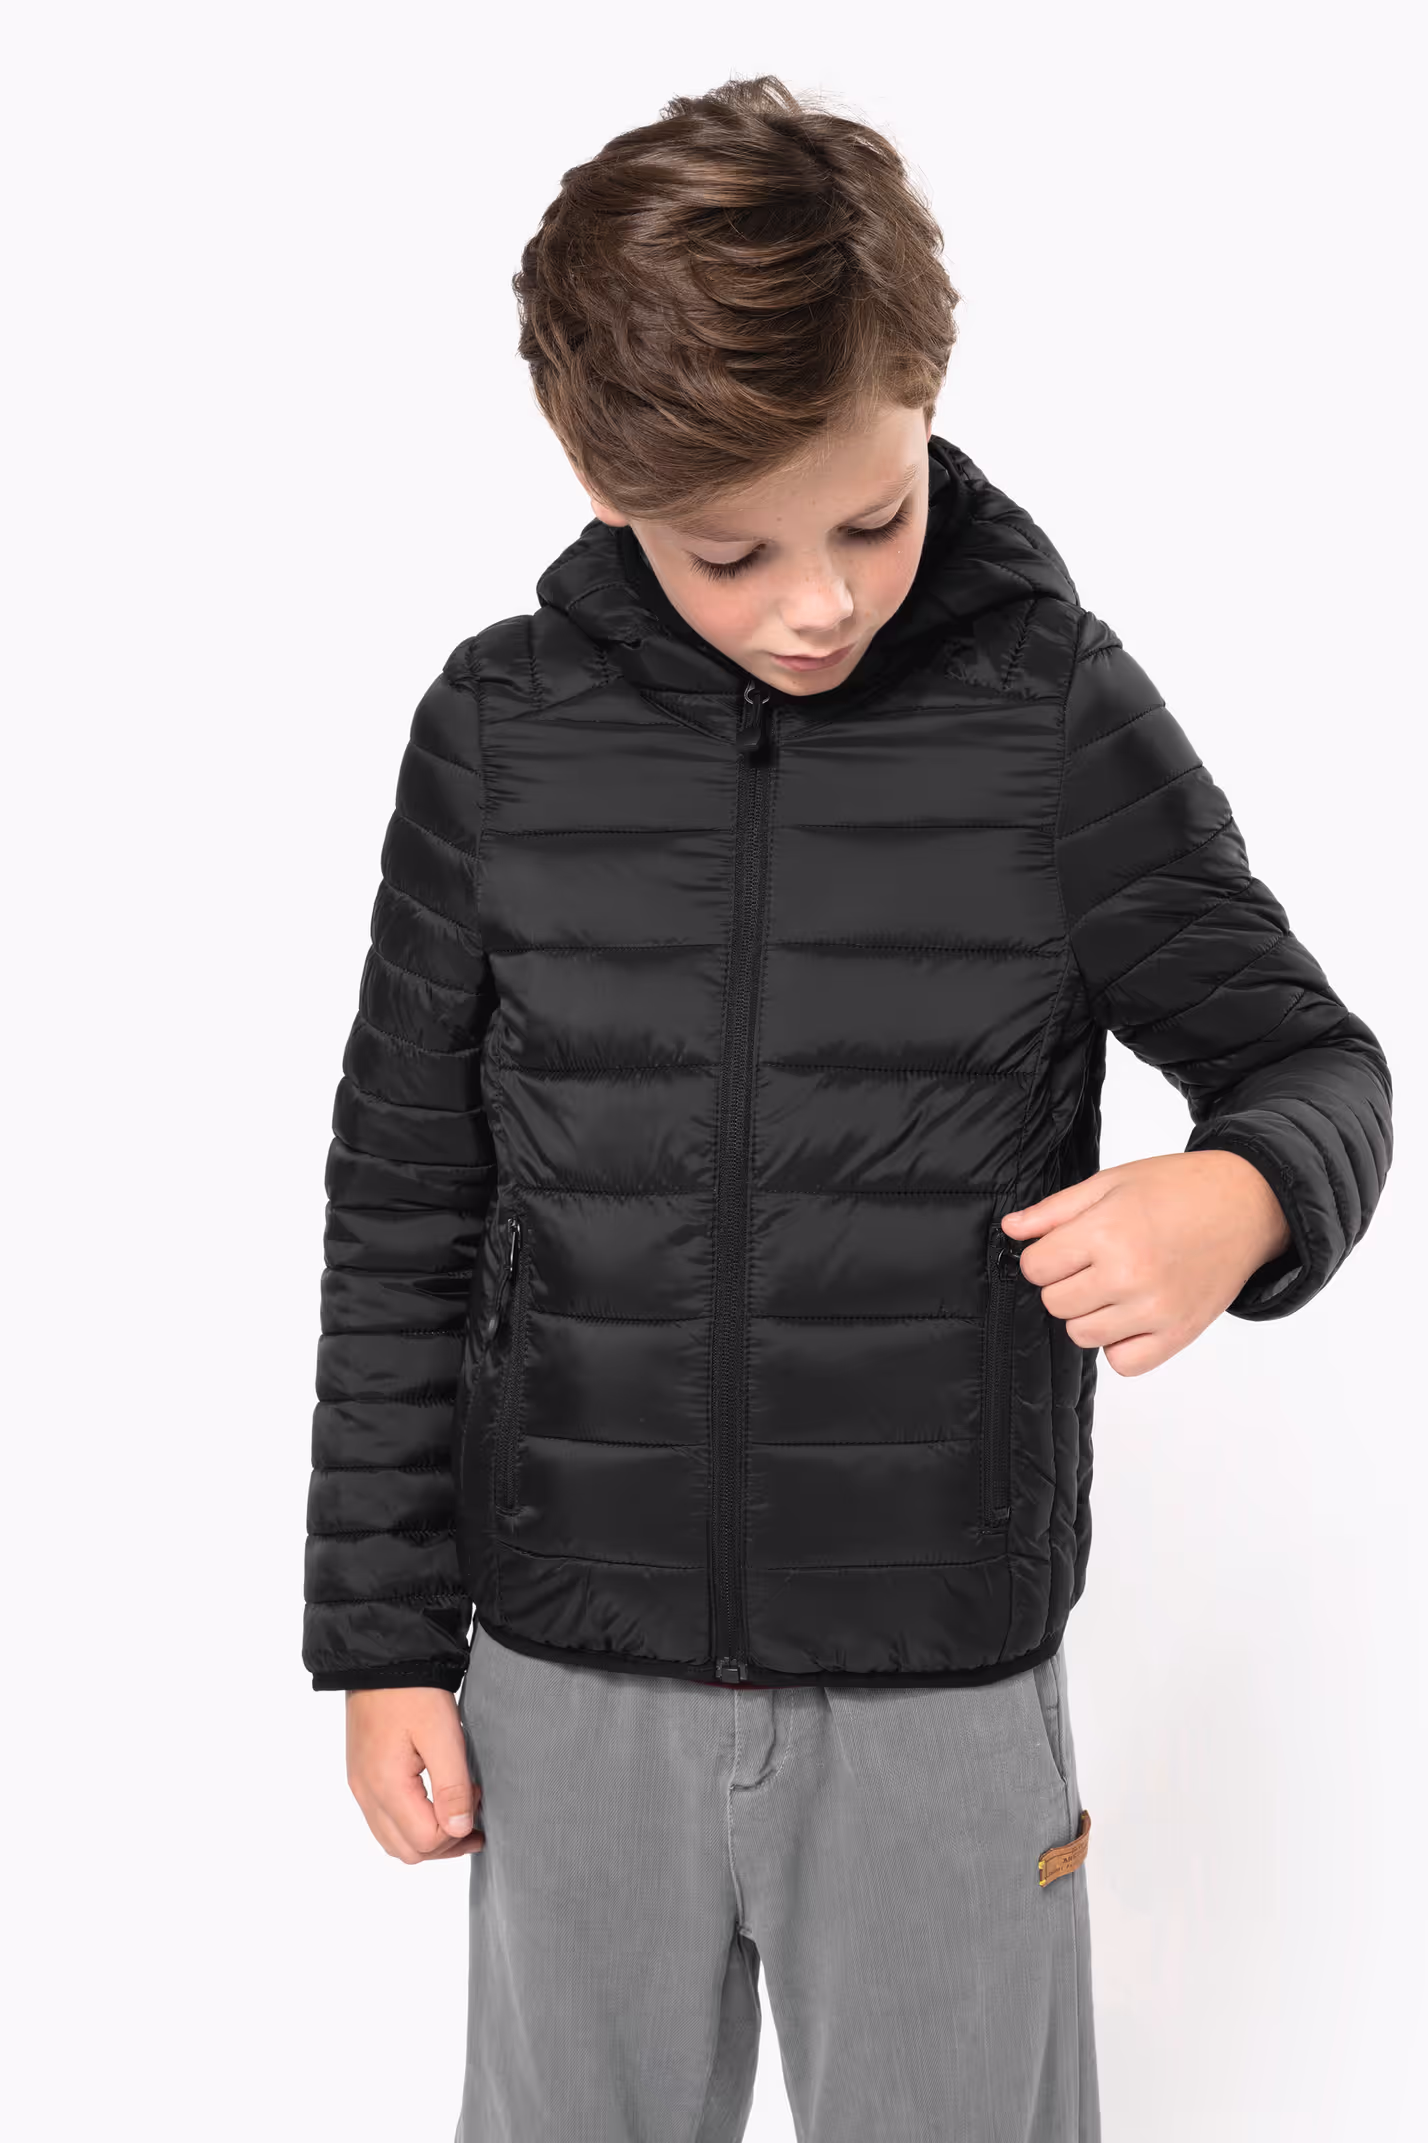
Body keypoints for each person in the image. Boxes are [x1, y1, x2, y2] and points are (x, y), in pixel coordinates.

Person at [302, 75, 1392, 2143]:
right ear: (600, 475)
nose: (819, 601)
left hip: (941, 1693)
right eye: (734, 552)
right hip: (567, 1676)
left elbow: (1314, 1064)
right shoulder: (498, 735)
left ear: (927, 404)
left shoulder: (1049, 712)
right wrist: (380, 1643)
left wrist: (1242, 1193)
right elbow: (403, 1197)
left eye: (872, 522)